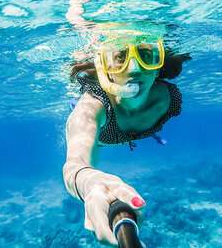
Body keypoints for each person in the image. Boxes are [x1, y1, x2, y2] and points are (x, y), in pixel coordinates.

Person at [63, 25, 191, 246]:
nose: (133, 69)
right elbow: (75, 165)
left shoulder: (167, 100)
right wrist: (91, 183)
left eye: (145, 55)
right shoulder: (92, 108)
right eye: (119, 57)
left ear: (159, 62)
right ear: (104, 66)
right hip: (104, 136)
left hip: (138, 130)